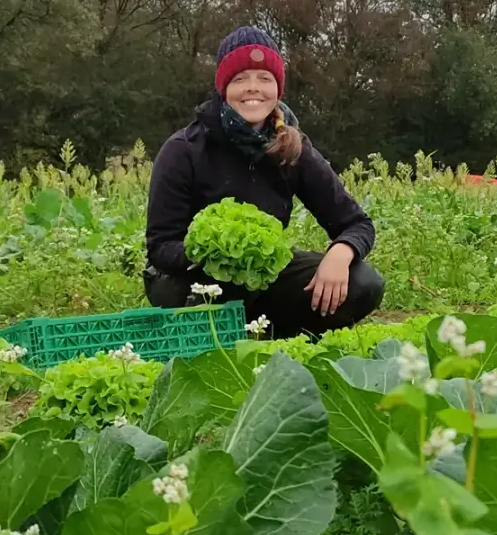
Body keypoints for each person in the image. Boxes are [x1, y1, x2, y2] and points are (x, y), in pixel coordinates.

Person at [144, 26, 385, 341]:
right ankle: (221, 337)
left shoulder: (292, 146)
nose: (252, 89)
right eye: (240, 79)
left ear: (277, 88)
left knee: (364, 282)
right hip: (192, 280)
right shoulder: (184, 149)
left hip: (262, 278)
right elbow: (160, 246)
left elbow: (356, 223)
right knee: (199, 291)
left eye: (264, 78)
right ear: (223, 87)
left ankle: (276, 336)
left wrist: (341, 252)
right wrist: (215, 255)